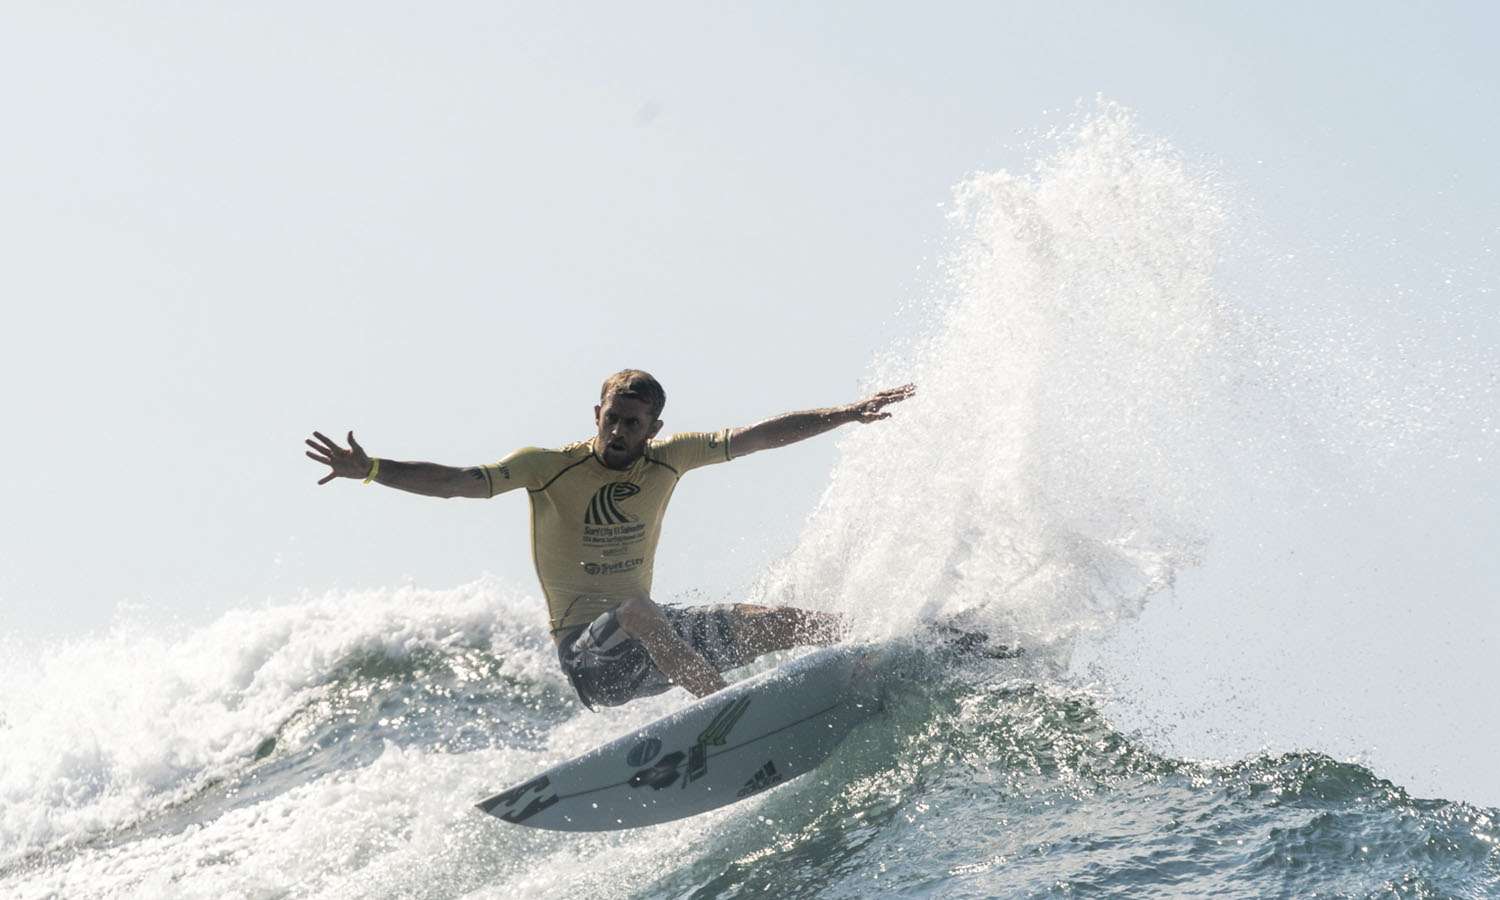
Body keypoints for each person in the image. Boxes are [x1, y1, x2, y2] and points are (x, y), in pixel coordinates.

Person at [305, 370, 914, 709]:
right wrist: (374, 469)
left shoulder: (672, 457)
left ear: (654, 428)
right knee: (638, 610)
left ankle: (901, 650)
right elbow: (457, 484)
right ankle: (730, 715)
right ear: (595, 414)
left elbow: (758, 437)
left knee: (786, 621)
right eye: (611, 418)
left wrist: (847, 413)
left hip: (658, 643)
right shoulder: (547, 467)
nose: (619, 431)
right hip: (589, 658)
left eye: (632, 423)